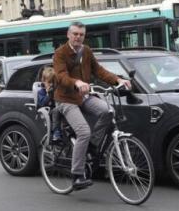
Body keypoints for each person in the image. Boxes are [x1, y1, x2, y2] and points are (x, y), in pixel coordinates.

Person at [53, 21, 131, 190]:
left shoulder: (86, 51)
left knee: (107, 110)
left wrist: (118, 79)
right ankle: (77, 175)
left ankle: (92, 145)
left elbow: (99, 70)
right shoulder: (60, 53)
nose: (78, 37)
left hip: (84, 97)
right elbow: (60, 77)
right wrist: (77, 82)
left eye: (81, 34)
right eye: (75, 34)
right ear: (68, 34)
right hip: (66, 99)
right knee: (83, 131)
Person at [37, 66, 62, 141]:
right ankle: (56, 133)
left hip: (59, 109)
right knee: (55, 111)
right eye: (49, 82)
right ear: (43, 81)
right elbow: (42, 103)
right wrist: (48, 94)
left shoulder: (56, 89)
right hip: (49, 112)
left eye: (53, 82)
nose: (51, 84)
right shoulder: (41, 92)